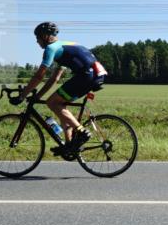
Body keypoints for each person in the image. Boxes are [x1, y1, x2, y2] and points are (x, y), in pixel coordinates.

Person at [16, 22, 107, 152]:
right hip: (95, 74)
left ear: (45, 36)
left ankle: (81, 132)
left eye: (37, 37)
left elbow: (39, 76)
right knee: (60, 105)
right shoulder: (64, 47)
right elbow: (54, 79)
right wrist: (38, 96)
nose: (37, 41)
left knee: (52, 102)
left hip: (86, 75)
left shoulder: (51, 48)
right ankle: (69, 145)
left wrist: (22, 95)